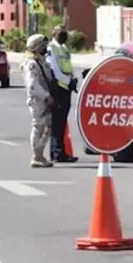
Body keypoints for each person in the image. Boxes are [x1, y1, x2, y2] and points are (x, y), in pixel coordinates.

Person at [47, 25, 79, 163]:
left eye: (65, 33)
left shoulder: (64, 48)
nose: (64, 36)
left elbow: (68, 66)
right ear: (54, 34)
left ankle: (60, 152)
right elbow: (54, 70)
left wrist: (73, 80)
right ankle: (57, 153)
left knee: (62, 123)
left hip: (66, 88)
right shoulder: (51, 49)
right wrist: (67, 81)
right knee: (57, 123)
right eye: (61, 33)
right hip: (58, 89)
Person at [23, 34, 54, 168]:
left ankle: (40, 154)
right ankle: (37, 156)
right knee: (38, 127)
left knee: (48, 126)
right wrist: (46, 95)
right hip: (38, 101)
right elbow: (33, 85)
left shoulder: (41, 61)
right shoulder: (32, 64)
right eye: (42, 46)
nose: (45, 48)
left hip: (43, 100)